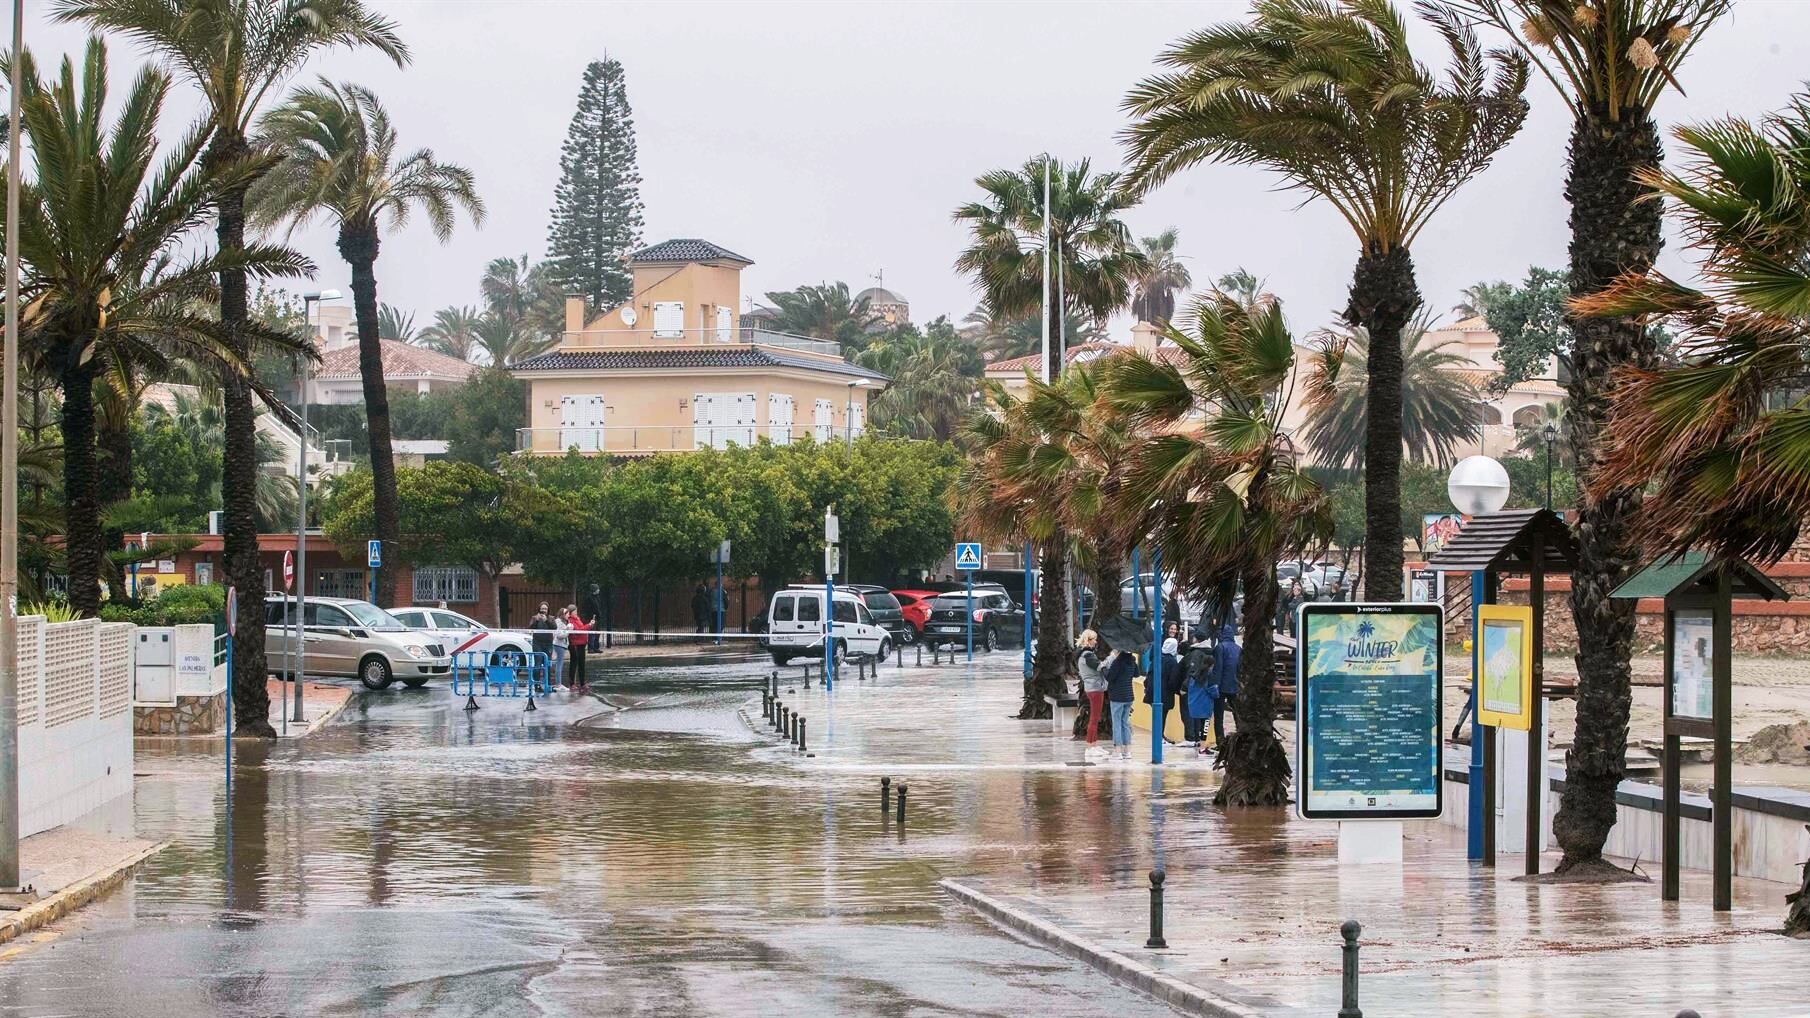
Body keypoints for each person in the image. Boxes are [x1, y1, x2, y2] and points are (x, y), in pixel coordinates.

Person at [1104, 642, 1139, 760]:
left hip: (1117, 696)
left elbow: (1109, 677)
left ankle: (1117, 751)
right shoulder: (1132, 661)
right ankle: (1127, 751)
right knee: (1125, 723)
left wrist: (1105, 669)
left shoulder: (1117, 662)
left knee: (1117, 723)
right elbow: (1137, 674)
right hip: (1128, 696)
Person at [1076, 630, 1108, 757]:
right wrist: (1110, 658)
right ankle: (1090, 746)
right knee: (1094, 718)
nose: (1096, 642)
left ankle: (1093, 744)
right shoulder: (1088, 655)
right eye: (1094, 639)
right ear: (1088, 640)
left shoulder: (1083, 654)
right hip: (1095, 689)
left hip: (1092, 688)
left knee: (1096, 717)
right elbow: (1099, 667)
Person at [1212, 621, 1241, 746]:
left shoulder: (1220, 647)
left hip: (1222, 686)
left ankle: (1220, 740)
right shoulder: (1238, 648)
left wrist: (1215, 685)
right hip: (1235, 686)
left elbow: (1218, 667)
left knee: (1218, 716)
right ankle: (1241, 737)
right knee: (1237, 713)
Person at [566, 606, 594, 690]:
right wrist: (588, 625)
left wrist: (590, 625)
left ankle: (582, 683)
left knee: (582, 664)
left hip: (582, 644)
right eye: (574, 611)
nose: (576, 612)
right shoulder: (570, 621)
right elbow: (579, 630)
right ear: (570, 612)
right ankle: (572, 683)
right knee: (574, 664)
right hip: (575, 644)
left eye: (576, 611)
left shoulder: (578, 619)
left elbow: (582, 629)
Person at [550, 609, 571, 689]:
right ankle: (558, 684)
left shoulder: (562, 622)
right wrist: (568, 631)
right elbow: (559, 635)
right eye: (567, 614)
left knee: (559, 664)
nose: (568, 616)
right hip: (559, 645)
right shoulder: (558, 622)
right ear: (563, 614)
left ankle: (558, 683)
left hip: (561, 645)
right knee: (559, 664)